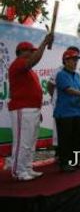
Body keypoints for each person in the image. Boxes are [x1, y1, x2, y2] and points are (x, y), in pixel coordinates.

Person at [8, 35, 53, 180]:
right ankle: (18, 171)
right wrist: (45, 43)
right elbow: (34, 60)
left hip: (32, 109)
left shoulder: (28, 69)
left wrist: (37, 110)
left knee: (30, 142)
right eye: (31, 51)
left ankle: (27, 167)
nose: (33, 53)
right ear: (22, 51)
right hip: (22, 108)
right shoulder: (18, 64)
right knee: (23, 142)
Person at [54, 50, 80, 172]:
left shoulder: (77, 76)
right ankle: (65, 164)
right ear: (66, 61)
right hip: (64, 113)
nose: (75, 62)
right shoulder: (61, 74)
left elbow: (79, 92)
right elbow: (69, 90)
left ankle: (76, 161)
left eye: (76, 59)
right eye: (73, 59)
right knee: (65, 140)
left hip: (78, 112)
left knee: (78, 139)